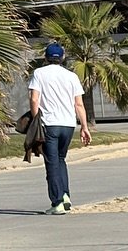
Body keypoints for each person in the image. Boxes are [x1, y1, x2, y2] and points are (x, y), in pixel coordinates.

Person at [28, 42, 91, 213]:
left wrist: (36, 120)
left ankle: (57, 203)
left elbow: (34, 99)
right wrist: (84, 126)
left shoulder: (39, 73)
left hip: (49, 123)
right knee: (61, 159)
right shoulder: (71, 76)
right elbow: (78, 103)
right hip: (68, 124)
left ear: (46, 57)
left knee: (52, 162)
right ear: (62, 58)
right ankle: (65, 196)